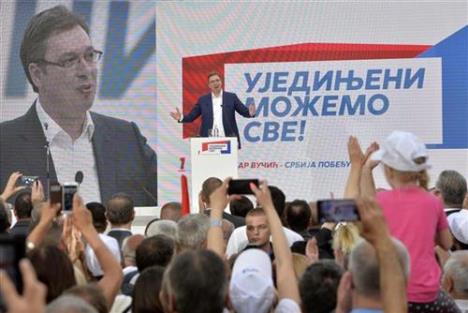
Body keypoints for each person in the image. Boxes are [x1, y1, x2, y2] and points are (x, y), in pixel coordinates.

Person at [0, 5, 157, 206]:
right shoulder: (5, 144)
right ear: (37, 74)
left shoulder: (127, 138)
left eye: (89, 56)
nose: (86, 70)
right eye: (70, 60)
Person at [359, 131, 458, 313]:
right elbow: (447, 243)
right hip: (428, 294)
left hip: (388, 293)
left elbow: (366, 202)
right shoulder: (433, 202)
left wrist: (366, 169)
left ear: (389, 170)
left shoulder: (381, 200)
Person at [170, 71, 256, 148]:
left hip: (228, 139)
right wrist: (181, 118)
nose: (215, 83)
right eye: (212, 81)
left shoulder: (231, 97)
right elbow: (191, 117)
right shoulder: (203, 100)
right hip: (208, 141)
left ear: (221, 82)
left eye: (217, 80)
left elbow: (244, 112)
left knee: (227, 165)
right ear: (209, 85)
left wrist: (250, 112)